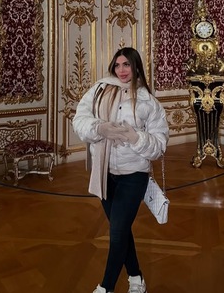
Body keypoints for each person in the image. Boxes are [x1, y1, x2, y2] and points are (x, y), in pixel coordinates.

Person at [73, 47, 169, 293]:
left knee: (117, 233)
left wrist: (135, 137)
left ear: (136, 67)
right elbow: (79, 120)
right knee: (121, 229)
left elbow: (159, 147)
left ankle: (106, 287)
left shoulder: (149, 102)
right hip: (104, 173)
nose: (121, 70)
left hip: (133, 175)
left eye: (126, 64)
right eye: (117, 65)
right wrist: (99, 128)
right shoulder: (99, 90)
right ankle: (136, 277)